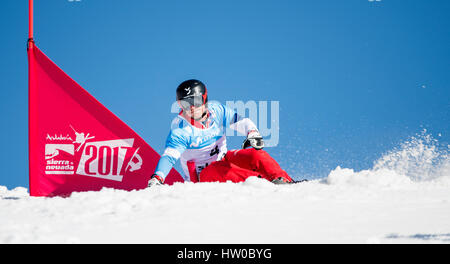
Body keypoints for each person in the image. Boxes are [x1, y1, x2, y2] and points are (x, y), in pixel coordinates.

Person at [147, 79, 293, 187]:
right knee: (219, 169)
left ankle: (284, 180)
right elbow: (169, 156)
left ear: (205, 99)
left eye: (195, 101)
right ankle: (266, 186)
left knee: (256, 154)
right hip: (202, 177)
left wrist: (252, 132)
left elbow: (240, 121)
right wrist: (157, 177)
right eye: (185, 103)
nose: (191, 107)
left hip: (224, 159)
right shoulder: (180, 129)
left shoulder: (216, 110)